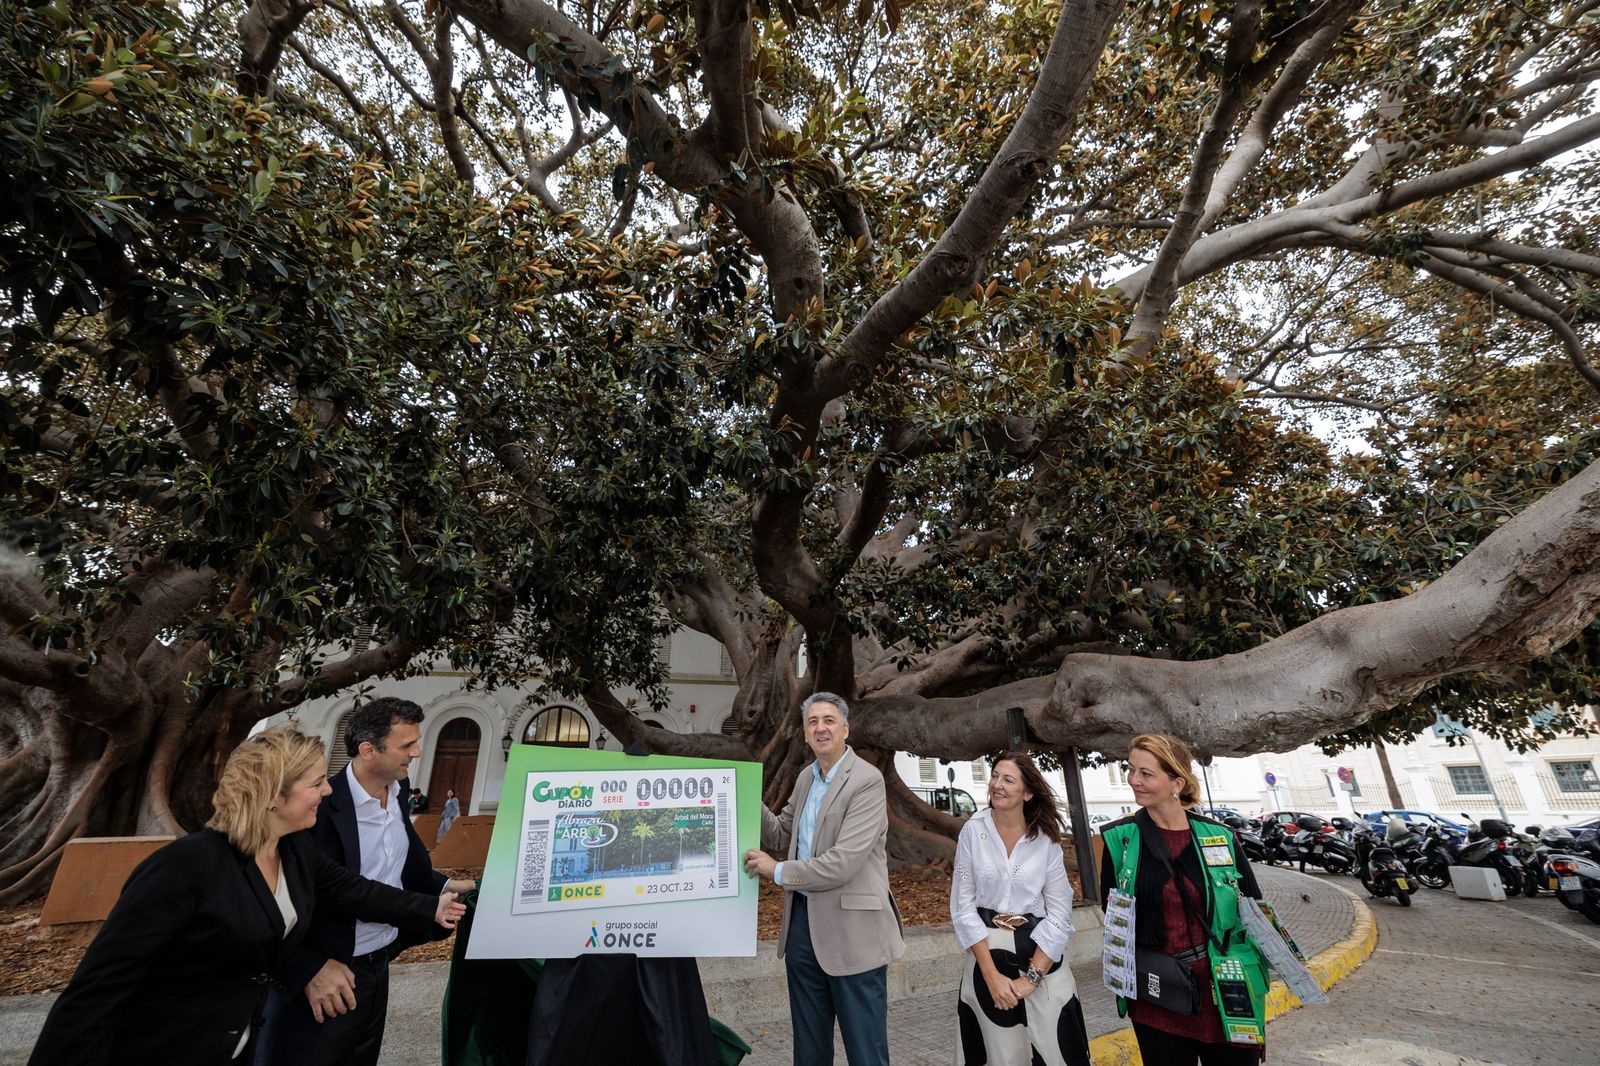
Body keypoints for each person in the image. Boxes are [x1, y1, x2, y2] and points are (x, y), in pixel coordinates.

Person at [26, 727, 464, 1066]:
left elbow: (356, 891)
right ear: (272, 795)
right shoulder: (185, 866)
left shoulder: (292, 851)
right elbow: (97, 990)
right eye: (315, 784)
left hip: (237, 1047)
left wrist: (433, 905)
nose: (328, 791)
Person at [256, 698, 474, 1066]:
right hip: (326, 975)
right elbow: (314, 895)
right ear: (368, 750)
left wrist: (449, 887)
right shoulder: (315, 810)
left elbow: (402, 870)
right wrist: (306, 968)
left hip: (378, 967)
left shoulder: (399, 792)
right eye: (407, 745)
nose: (418, 752)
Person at [743, 692, 905, 1066]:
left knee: (866, 1052)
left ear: (846, 729)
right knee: (810, 1049)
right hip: (802, 929)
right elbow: (782, 835)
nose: (820, 728)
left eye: (829, 720)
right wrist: (740, 792)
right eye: (813, 721)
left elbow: (843, 862)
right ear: (804, 733)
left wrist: (777, 871)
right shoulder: (805, 778)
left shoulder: (866, 781)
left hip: (854, 933)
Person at [1098, 734, 1269, 1065]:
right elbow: (1113, 912)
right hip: (1159, 995)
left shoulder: (1218, 836)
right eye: (1130, 770)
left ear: (1177, 782)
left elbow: (1253, 908)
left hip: (1227, 990)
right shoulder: (1120, 840)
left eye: (1146, 773)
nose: (1134, 780)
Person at [950, 752, 1091, 1066]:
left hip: (1040, 958)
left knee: (1054, 1050)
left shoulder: (1046, 841)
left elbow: (1059, 912)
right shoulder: (973, 831)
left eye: (1008, 779)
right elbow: (962, 906)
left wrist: (1032, 977)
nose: (997, 785)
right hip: (985, 959)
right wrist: (991, 977)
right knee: (998, 1054)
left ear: (1027, 793)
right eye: (995, 775)